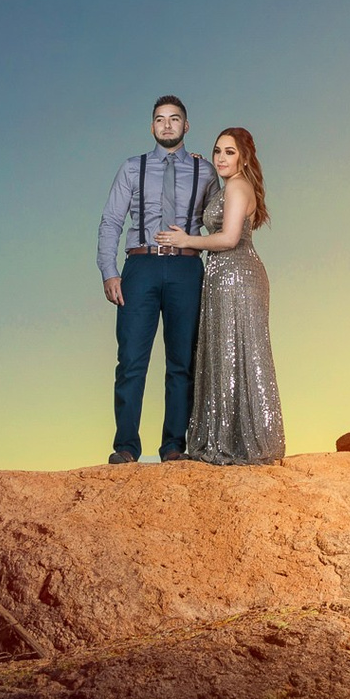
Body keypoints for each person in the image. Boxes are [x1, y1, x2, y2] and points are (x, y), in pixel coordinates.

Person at [158, 125, 285, 465]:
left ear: (244, 156)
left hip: (235, 276)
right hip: (225, 276)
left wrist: (186, 241)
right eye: (217, 151)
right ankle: (228, 437)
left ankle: (232, 442)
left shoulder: (239, 187)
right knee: (225, 353)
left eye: (229, 152)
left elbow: (228, 238)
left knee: (236, 354)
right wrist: (203, 166)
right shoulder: (231, 185)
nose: (221, 157)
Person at [97, 96, 211, 463]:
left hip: (186, 268)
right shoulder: (132, 168)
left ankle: (174, 446)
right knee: (130, 359)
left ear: (186, 126)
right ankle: (126, 447)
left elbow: (224, 217)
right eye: (160, 119)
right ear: (152, 127)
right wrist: (109, 270)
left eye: (174, 119)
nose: (167, 125)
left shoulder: (205, 171)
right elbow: (111, 221)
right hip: (140, 267)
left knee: (182, 362)